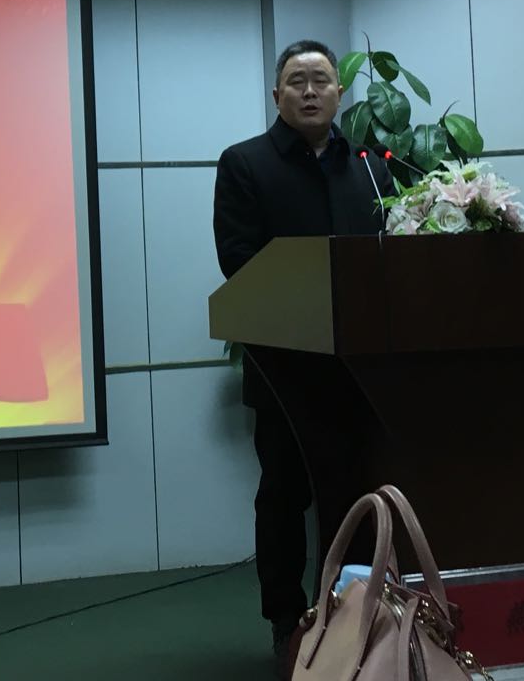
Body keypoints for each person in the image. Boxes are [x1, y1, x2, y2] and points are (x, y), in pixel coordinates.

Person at [211, 39, 394, 659]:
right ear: (277, 95)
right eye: (297, 81)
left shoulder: (369, 164)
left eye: (320, 80)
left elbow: (393, 253)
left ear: (340, 92)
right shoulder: (244, 163)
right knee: (284, 498)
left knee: (362, 497)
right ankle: (287, 623)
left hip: (362, 370)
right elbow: (238, 260)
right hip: (285, 368)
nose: (310, 91)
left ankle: (359, 613)